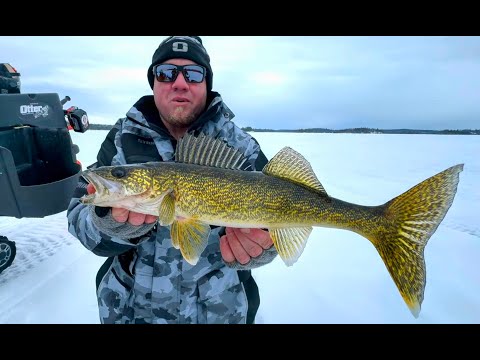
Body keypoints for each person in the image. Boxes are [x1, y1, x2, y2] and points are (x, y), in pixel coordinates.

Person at [67, 36, 278, 324]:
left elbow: (281, 217)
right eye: (166, 73)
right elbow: (78, 212)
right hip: (130, 312)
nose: (180, 83)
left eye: (193, 73)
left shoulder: (239, 145)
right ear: (153, 82)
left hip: (219, 313)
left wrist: (262, 248)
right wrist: (109, 224)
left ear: (207, 83)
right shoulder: (121, 140)